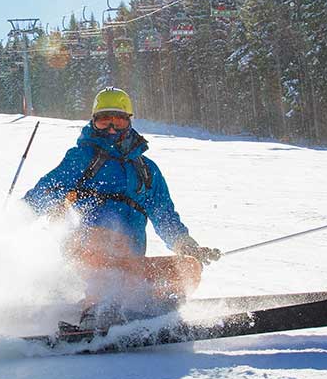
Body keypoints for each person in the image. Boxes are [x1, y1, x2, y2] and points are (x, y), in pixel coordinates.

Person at [23, 88, 220, 326]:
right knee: (107, 238)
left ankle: (156, 309)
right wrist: (17, 217)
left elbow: (165, 215)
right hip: (87, 256)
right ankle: (96, 310)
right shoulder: (84, 158)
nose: (111, 128)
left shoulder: (147, 170)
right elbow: (49, 188)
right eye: (104, 121)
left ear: (129, 122)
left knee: (188, 267)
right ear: (93, 122)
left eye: (118, 120)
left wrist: (186, 245)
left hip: (130, 263)